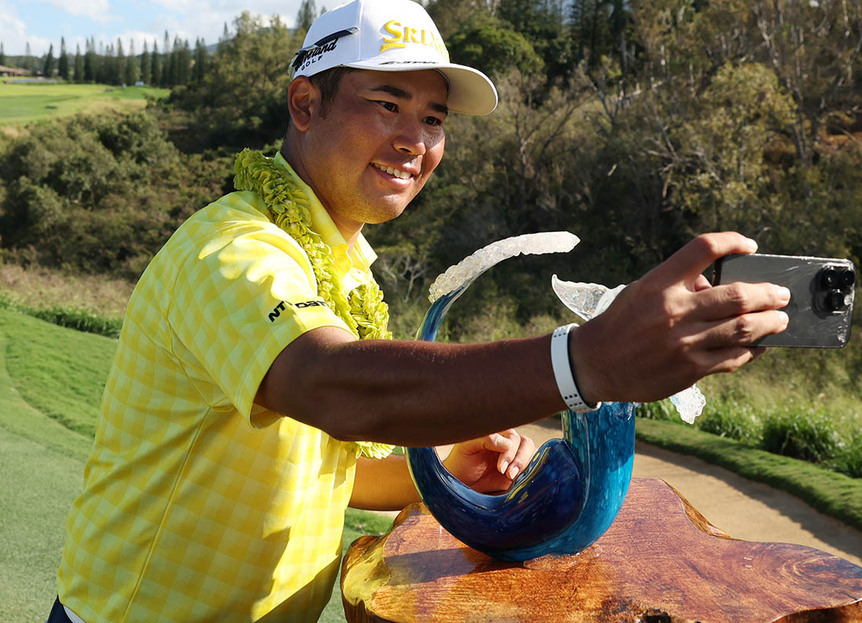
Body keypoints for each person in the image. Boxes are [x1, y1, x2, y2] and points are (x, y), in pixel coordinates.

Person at [49, 0, 792, 621]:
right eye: (387, 104)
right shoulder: (233, 250)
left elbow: (335, 466)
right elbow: (337, 387)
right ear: (304, 104)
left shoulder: (339, 262)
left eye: (434, 119)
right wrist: (586, 360)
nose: (416, 141)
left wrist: (443, 461)